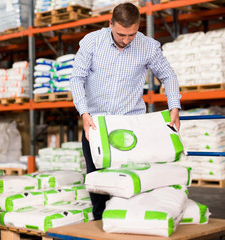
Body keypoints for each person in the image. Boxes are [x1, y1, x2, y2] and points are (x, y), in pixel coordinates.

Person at [70, 2, 182, 220]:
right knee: (98, 186)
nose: (126, 40)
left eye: (132, 34)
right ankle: (100, 225)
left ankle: (128, 226)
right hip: (96, 125)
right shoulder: (92, 42)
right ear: (110, 23)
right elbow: (76, 79)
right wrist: (84, 113)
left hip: (131, 126)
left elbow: (168, 75)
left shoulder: (147, 46)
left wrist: (174, 106)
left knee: (129, 185)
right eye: (121, 34)